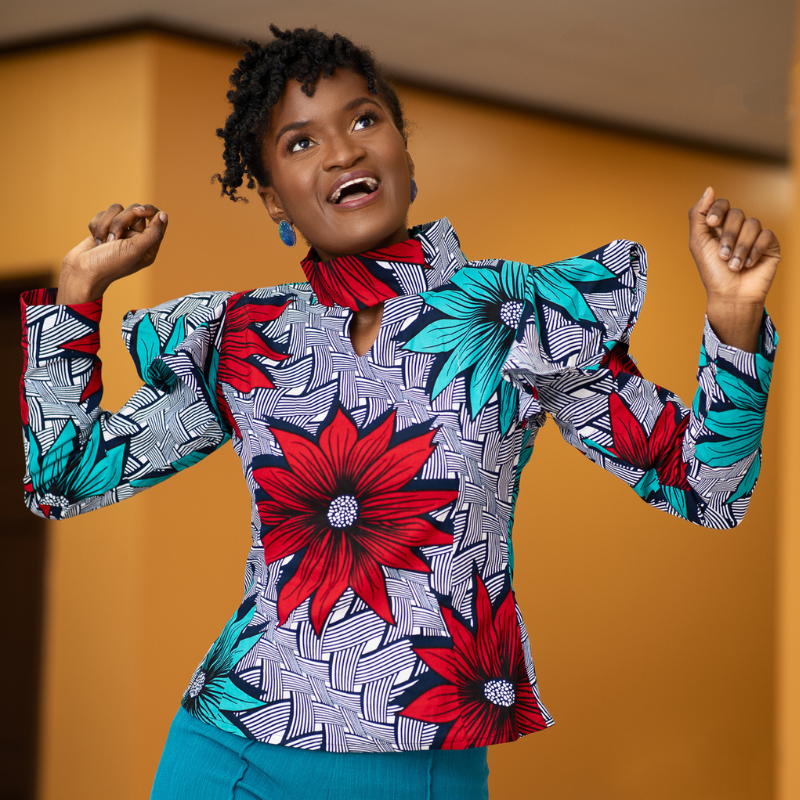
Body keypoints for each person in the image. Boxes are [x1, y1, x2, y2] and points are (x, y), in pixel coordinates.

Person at [19, 24, 780, 800]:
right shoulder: (242, 339)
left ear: (405, 157)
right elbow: (63, 480)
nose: (343, 151)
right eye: (299, 142)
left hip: (414, 765)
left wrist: (734, 317)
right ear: (275, 199)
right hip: (226, 749)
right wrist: (78, 296)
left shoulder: (512, 317)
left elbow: (707, 487)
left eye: (363, 119)